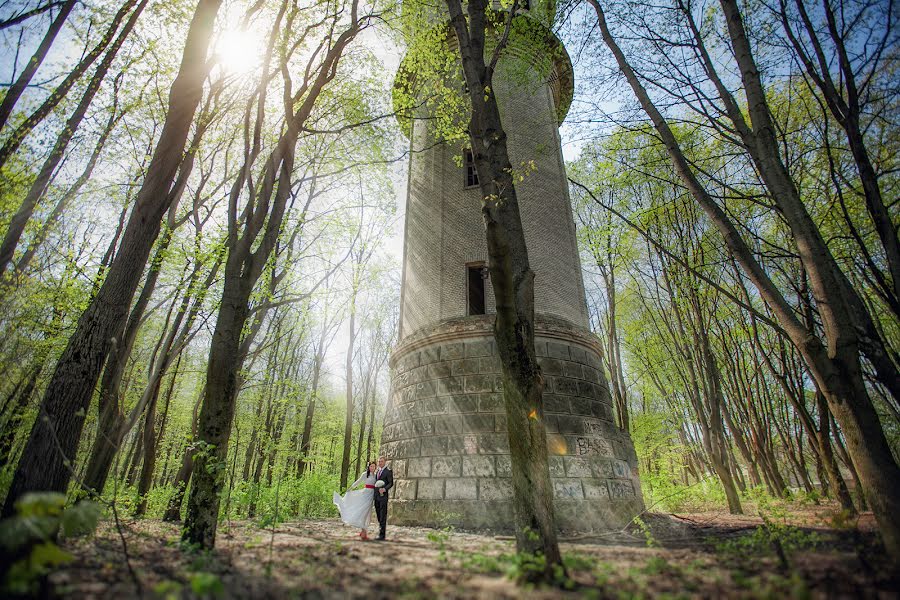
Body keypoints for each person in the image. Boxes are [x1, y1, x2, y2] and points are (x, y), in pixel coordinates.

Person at [333, 460, 377, 540]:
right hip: (365, 494)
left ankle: (363, 531)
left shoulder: (376, 475)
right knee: (363, 512)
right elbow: (358, 482)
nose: (372, 468)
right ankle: (364, 532)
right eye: (371, 466)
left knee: (368, 514)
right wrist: (351, 488)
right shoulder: (365, 474)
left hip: (372, 495)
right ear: (369, 467)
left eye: (373, 466)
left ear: (375, 467)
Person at [373, 456, 393, 541]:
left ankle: (382, 535)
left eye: (381, 461)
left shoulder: (388, 472)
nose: (380, 463)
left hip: (383, 497)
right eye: (379, 461)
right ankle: (381, 530)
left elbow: (391, 483)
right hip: (376, 496)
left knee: (382, 516)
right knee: (378, 514)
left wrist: (384, 489)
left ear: (385, 462)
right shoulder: (377, 472)